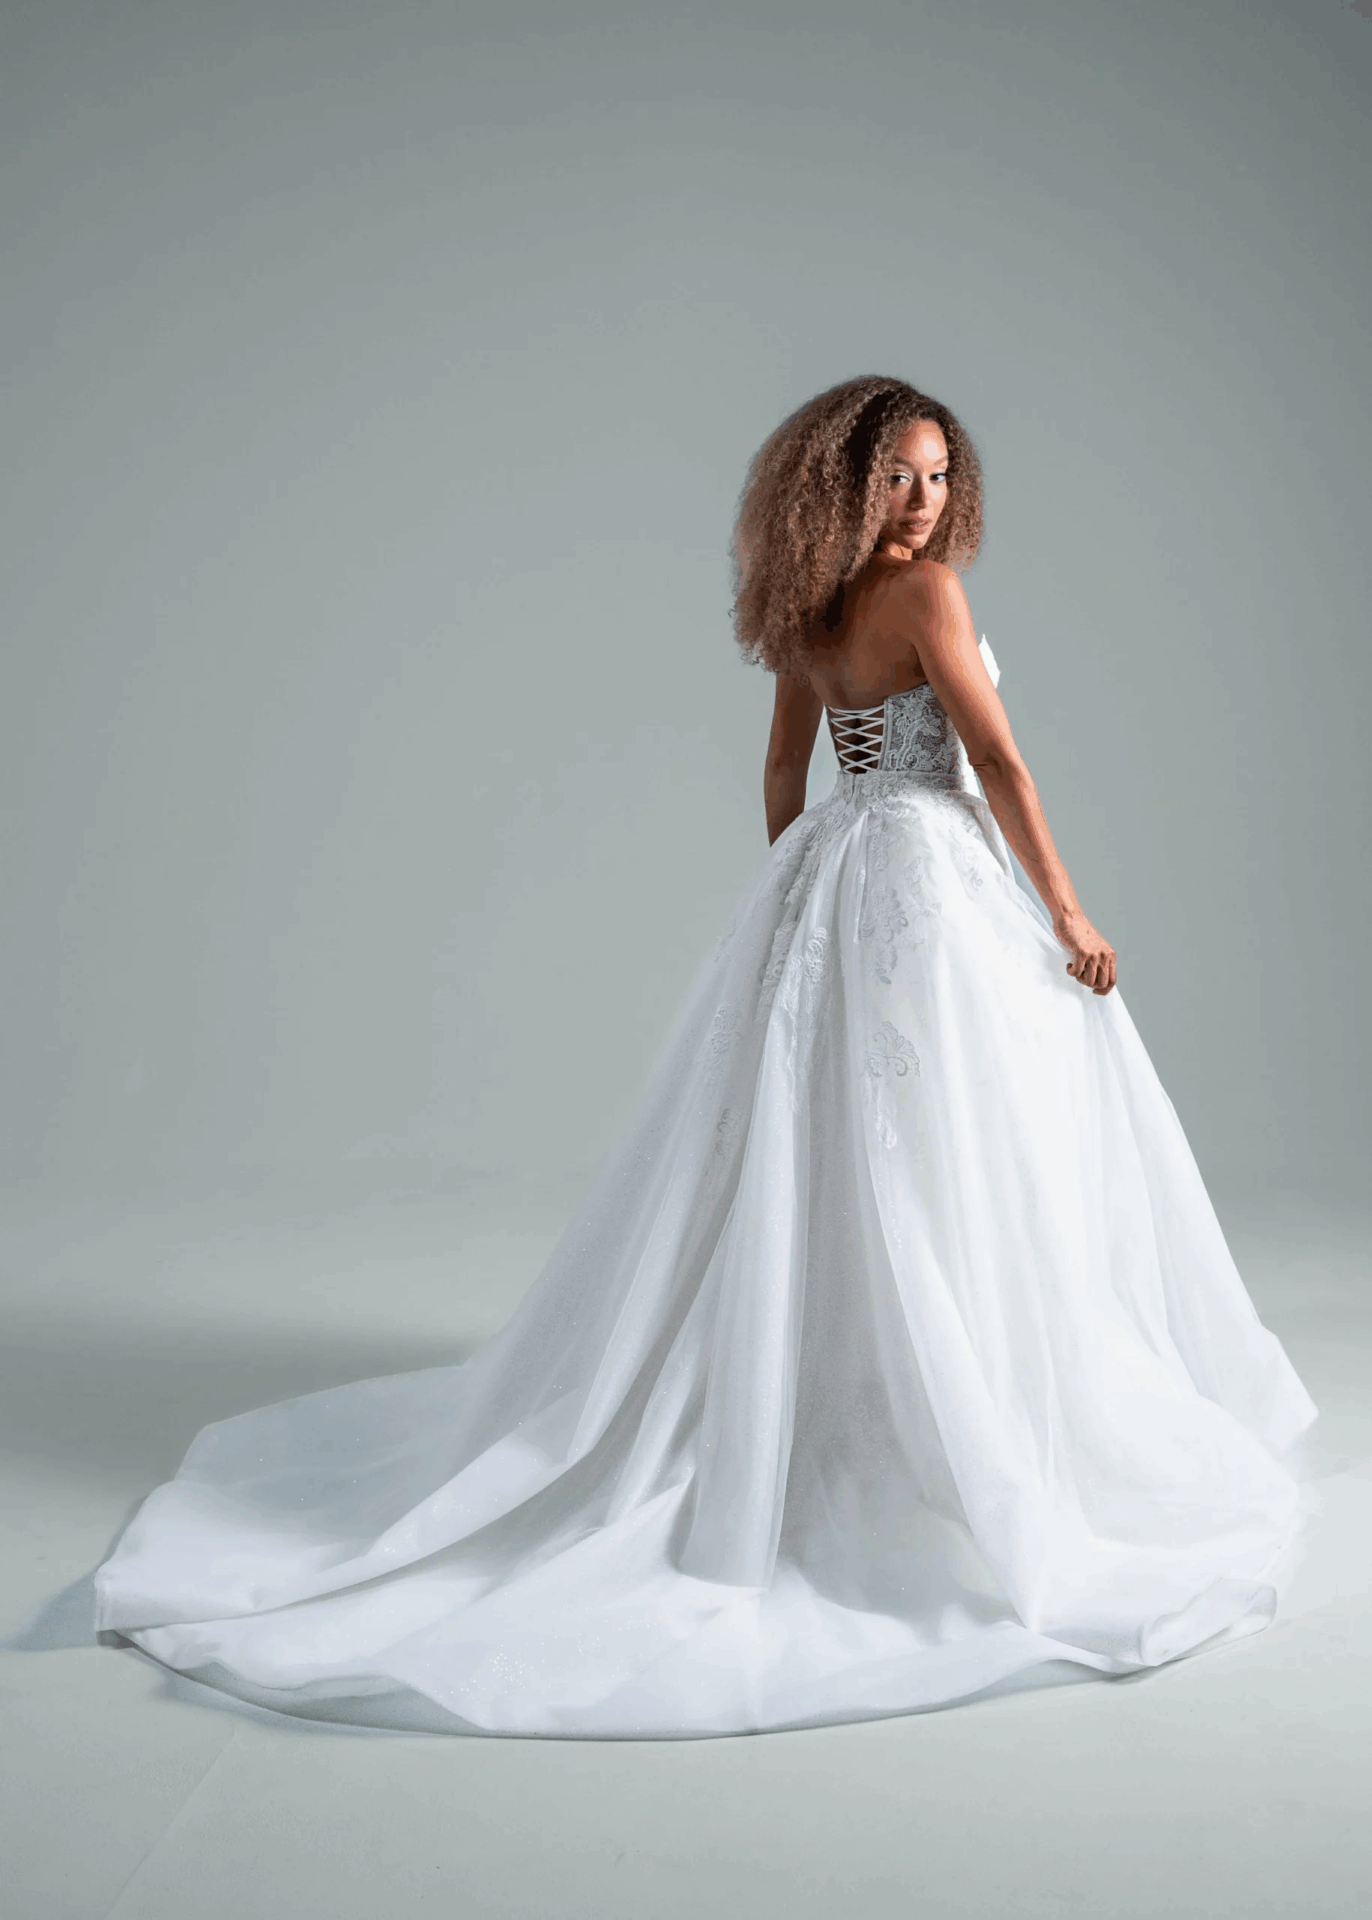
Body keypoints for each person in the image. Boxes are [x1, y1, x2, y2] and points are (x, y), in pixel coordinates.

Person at [94, 375, 1316, 1738]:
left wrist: (807, 901)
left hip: (841, 867)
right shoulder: (928, 597)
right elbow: (1000, 759)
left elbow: (788, 775)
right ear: (847, 484)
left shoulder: (808, 607)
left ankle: (853, 1387)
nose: (921, 503)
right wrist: (1068, 911)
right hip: (932, 872)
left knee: (835, 1142)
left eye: (936, 476)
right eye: (895, 478)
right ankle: (960, 1409)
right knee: (956, 1142)